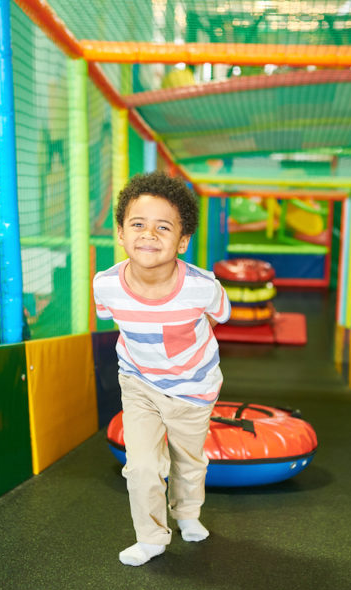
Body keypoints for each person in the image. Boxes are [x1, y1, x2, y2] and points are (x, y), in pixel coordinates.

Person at [93, 171, 231, 566]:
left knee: (188, 461)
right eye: (138, 224)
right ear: (121, 233)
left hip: (194, 387)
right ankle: (151, 537)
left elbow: (221, 314)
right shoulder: (106, 285)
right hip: (139, 382)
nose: (149, 235)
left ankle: (186, 512)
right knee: (141, 465)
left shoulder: (201, 286)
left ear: (182, 241)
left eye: (163, 227)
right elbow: (112, 318)